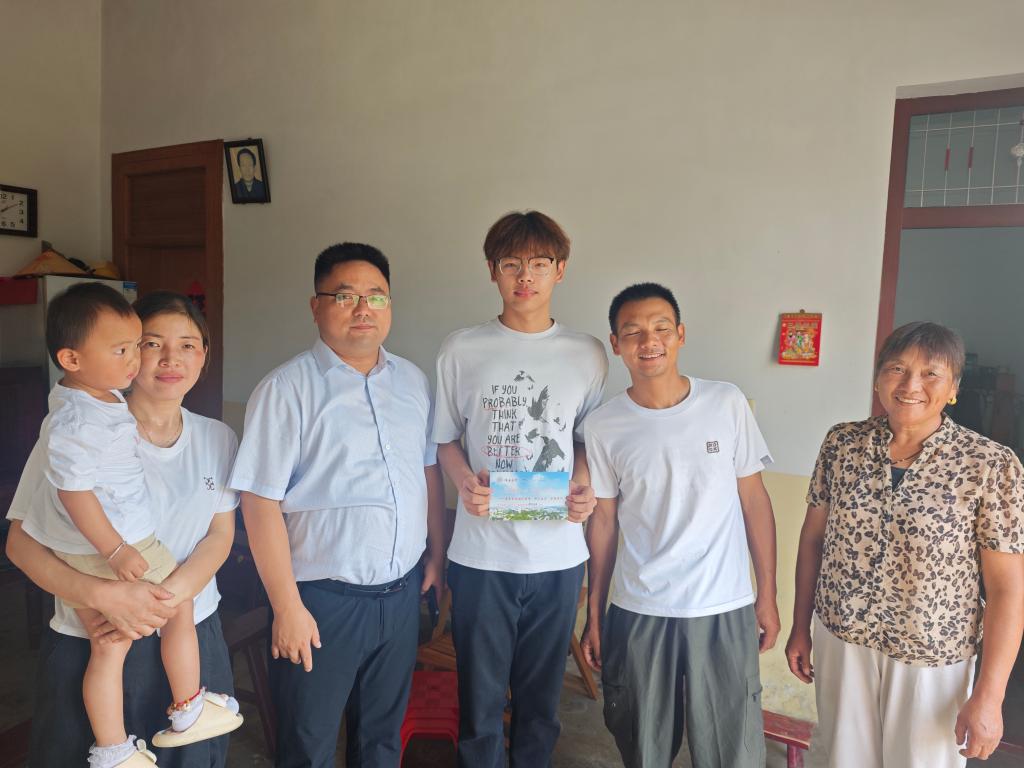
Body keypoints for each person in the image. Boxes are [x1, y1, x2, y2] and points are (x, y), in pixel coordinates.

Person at [230, 242, 445, 768]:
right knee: (309, 745)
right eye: (345, 296)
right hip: (320, 604)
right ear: (316, 306)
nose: (363, 309)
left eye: (377, 296)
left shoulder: (412, 381)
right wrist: (287, 607)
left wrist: (436, 557)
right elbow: (259, 503)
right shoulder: (286, 389)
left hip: (400, 596)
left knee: (382, 740)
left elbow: (427, 473)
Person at [6, 289, 242, 768]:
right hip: (92, 637)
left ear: (204, 355)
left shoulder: (217, 438)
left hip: (192, 635)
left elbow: (220, 536)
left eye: (188, 345)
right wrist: (102, 595)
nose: (170, 358)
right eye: (151, 343)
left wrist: (165, 600)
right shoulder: (76, 432)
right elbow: (20, 545)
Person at [785, 321, 1024, 768]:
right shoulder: (842, 444)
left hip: (931, 656)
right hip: (843, 638)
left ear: (954, 388)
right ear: (878, 378)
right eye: (897, 369)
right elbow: (813, 539)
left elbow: (1007, 588)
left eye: (931, 373)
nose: (911, 385)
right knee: (839, 759)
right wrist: (801, 626)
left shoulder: (989, 465)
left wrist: (990, 695)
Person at [433, 210, 607, 768]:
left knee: (540, 700)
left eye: (538, 264)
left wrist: (583, 486)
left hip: (558, 557)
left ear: (561, 269)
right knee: (479, 700)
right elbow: (445, 439)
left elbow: (587, 441)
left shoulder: (587, 353)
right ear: (492, 271)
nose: (524, 276)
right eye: (511, 264)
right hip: (481, 555)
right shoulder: (461, 349)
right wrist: (465, 482)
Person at [580, 282, 780, 768]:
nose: (648, 341)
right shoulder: (604, 425)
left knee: (731, 750)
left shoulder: (726, 402)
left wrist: (768, 593)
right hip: (640, 607)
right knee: (643, 745)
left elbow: (754, 500)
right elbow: (603, 522)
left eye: (661, 328)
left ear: (681, 335)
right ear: (616, 344)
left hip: (723, 604)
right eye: (633, 332)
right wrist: (595, 613)